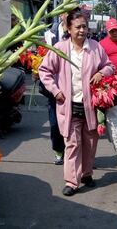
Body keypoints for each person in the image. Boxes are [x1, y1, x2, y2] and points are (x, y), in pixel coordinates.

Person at [39, 8, 114, 196]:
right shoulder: (61, 49)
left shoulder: (95, 47)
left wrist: (101, 73)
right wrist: (56, 91)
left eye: (85, 27)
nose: (82, 30)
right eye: (78, 27)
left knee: (90, 143)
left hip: (91, 106)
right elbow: (44, 71)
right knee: (72, 144)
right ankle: (72, 181)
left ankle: (87, 174)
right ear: (69, 29)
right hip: (69, 106)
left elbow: (110, 66)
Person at [40, 15, 69, 165]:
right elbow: (41, 58)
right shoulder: (49, 34)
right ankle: (59, 151)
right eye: (67, 12)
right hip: (54, 88)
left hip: (72, 87)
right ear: (61, 15)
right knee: (54, 124)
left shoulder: (78, 34)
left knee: (74, 124)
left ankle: (76, 154)